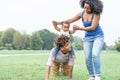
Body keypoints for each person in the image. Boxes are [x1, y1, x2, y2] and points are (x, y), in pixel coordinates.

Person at [56, 0, 104, 80]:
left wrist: (79, 28)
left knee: (95, 54)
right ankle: (91, 76)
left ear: (93, 7)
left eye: (88, 9)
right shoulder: (81, 14)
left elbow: (92, 27)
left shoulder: (96, 14)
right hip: (87, 38)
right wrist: (58, 22)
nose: (86, 10)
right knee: (87, 57)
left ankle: (97, 75)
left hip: (98, 36)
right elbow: (70, 20)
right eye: (85, 7)